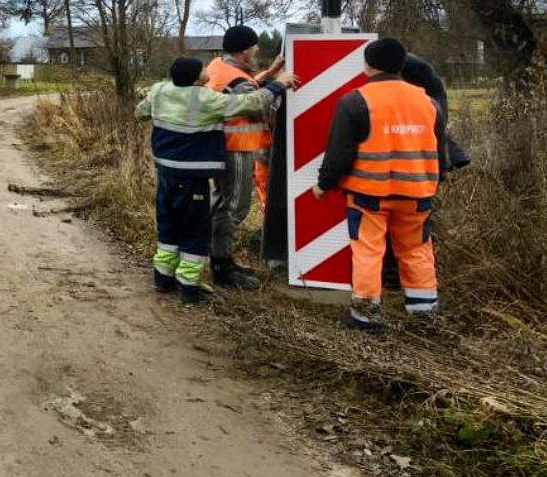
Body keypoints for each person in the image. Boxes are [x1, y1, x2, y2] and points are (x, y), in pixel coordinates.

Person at [136, 57, 299, 305]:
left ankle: (162, 278)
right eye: (203, 70)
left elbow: (140, 113)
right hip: (193, 179)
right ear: (194, 79)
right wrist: (279, 84)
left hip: (166, 174)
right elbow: (249, 103)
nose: (207, 72)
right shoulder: (204, 99)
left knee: (168, 227)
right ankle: (189, 288)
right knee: (195, 231)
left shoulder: (159, 91)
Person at [310, 38, 446, 332]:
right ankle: (424, 313)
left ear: (367, 66)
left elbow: (339, 154)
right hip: (418, 194)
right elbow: (440, 151)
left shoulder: (355, 101)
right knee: (417, 250)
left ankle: (366, 316)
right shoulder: (429, 103)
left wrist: (324, 184)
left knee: (369, 252)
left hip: (369, 195)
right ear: (401, 65)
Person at [204, 25, 284, 290]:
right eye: (254, 46)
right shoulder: (235, 79)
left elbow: (245, 87)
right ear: (245, 50)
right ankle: (222, 267)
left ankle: (220, 259)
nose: (257, 50)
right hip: (235, 147)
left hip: (222, 145)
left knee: (221, 204)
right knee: (234, 207)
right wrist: (278, 85)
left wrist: (269, 75)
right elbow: (253, 101)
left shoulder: (219, 66)